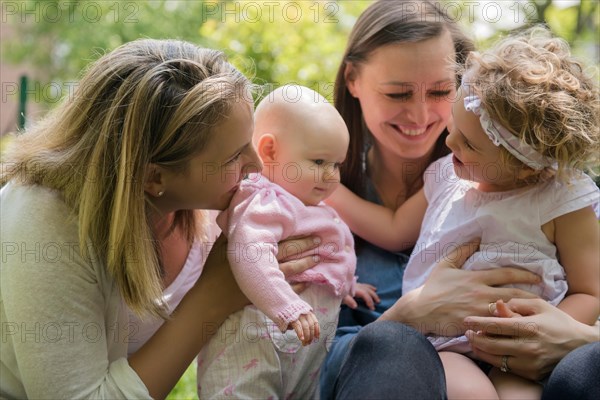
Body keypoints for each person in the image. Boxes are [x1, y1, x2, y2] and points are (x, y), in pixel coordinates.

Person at [0, 39, 321, 399]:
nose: (257, 166)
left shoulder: (212, 198)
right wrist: (214, 296)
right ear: (153, 178)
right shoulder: (43, 222)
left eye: (250, 140)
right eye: (234, 157)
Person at [319, 1, 600, 398]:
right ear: (352, 79)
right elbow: (304, 359)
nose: (420, 117)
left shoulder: (557, 194)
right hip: (432, 358)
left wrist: (567, 335)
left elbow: (590, 293)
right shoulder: (444, 178)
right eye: (398, 93)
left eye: (439, 91)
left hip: (522, 350)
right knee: (398, 351)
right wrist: (408, 316)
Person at [196, 85, 364, 399]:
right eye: (318, 162)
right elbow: (249, 254)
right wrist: (287, 308)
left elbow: (324, 253)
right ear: (271, 151)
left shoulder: (308, 206)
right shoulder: (265, 201)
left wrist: (346, 282)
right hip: (254, 345)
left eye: (337, 165)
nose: (332, 176)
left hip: (303, 354)